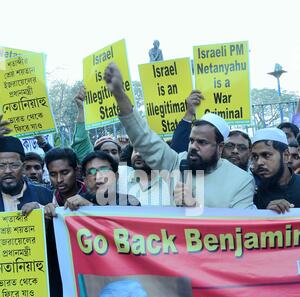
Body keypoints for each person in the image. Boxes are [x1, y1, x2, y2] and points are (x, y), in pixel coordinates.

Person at [103, 63, 255, 209]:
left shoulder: (241, 181)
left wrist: (195, 207)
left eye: (202, 142)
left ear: (220, 147)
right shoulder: (178, 162)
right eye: (191, 140)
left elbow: (242, 230)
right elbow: (144, 138)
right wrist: (119, 94)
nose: (193, 147)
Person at [0, 136, 66, 297]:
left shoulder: (44, 194)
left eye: (14, 165)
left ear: (22, 165)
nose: (7, 171)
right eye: (1, 165)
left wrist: (50, 216)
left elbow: (62, 241)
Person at [65, 151, 139, 210]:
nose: (98, 176)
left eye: (104, 170)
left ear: (116, 176)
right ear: (85, 180)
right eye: (91, 172)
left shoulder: (130, 202)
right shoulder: (75, 203)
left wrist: (90, 207)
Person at [251, 128, 300, 213]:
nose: (259, 162)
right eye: (255, 157)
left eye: (266, 155)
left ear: (286, 155)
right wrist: (267, 214)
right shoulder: (252, 194)